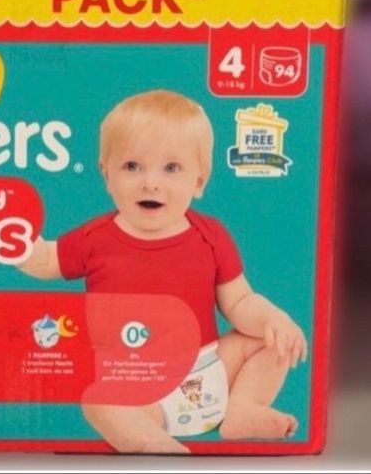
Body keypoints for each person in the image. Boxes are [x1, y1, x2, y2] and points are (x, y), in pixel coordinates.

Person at [18, 89, 307, 453]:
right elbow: (46, 260)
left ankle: (244, 407)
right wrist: (11, 239)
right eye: (132, 166)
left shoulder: (211, 235)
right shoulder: (95, 238)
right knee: (98, 400)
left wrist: (275, 320)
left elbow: (240, 302)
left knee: (273, 342)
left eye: (171, 168)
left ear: (199, 181)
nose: (150, 182)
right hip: (136, 385)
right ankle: (157, 446)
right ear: (107, 175)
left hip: (209, 370)